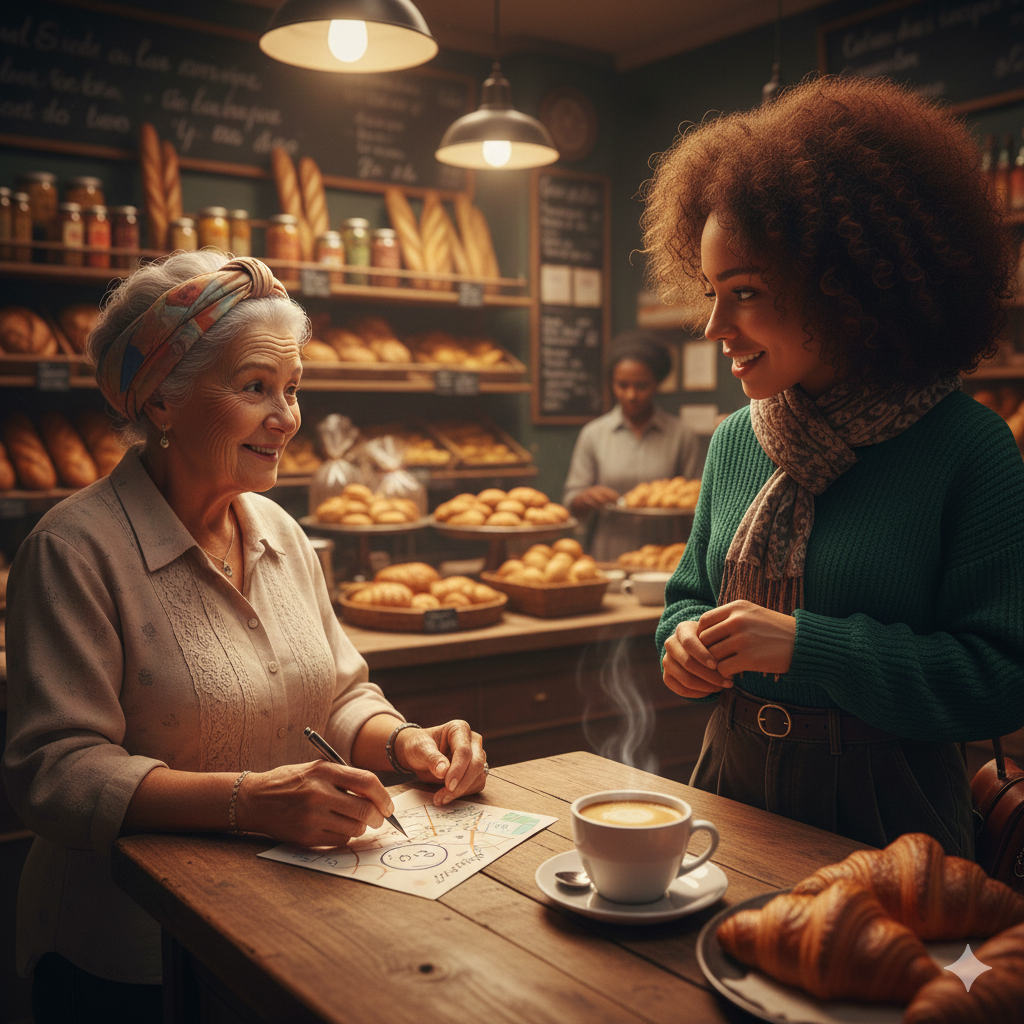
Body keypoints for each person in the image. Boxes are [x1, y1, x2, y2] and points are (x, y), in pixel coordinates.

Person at [2, 251, 488, 1023]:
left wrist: (402, 743)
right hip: (127, 959)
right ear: (163, 400)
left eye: (292, 389)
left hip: (276, 928)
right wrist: (247, 802)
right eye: (255, 387)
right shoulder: (75, 550)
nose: (287, 417)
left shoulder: (281, 533)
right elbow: (56, 775)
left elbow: (337, 697)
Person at [644, 75, 1024, 858]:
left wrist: (805, 647)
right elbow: (686, 602)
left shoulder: (970, 450)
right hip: (730, 780)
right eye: (711, 294)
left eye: (744, 292)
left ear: (849, 287)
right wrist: (680, 644)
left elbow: (999, 679)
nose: (715, 326)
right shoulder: (735, 441)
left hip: (894, 813)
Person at [562, 330, 700, 561]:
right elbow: (571, 501)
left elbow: (698, 501)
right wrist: (585, 498)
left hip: (665, 557)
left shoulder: (681, 435)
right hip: (609, 554)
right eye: (622, 385)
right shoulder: (594, 434)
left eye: (641, 385)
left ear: (657, 383)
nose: (631, 395)